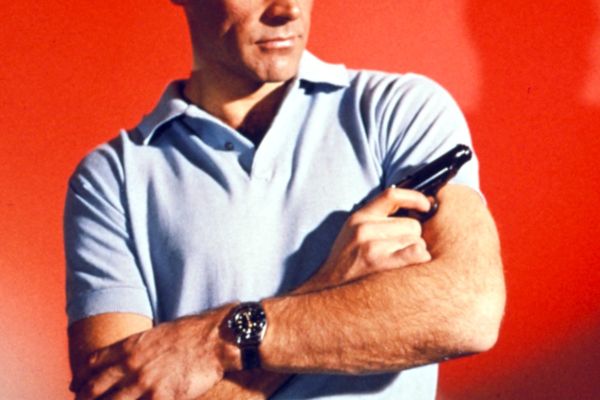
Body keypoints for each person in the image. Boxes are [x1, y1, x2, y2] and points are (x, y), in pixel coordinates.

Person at [64, 0, 506, 399]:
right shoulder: (111, 179)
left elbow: (469, 309)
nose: (288, 9)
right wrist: (329, 284)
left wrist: (214, 342)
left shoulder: (399, 112)